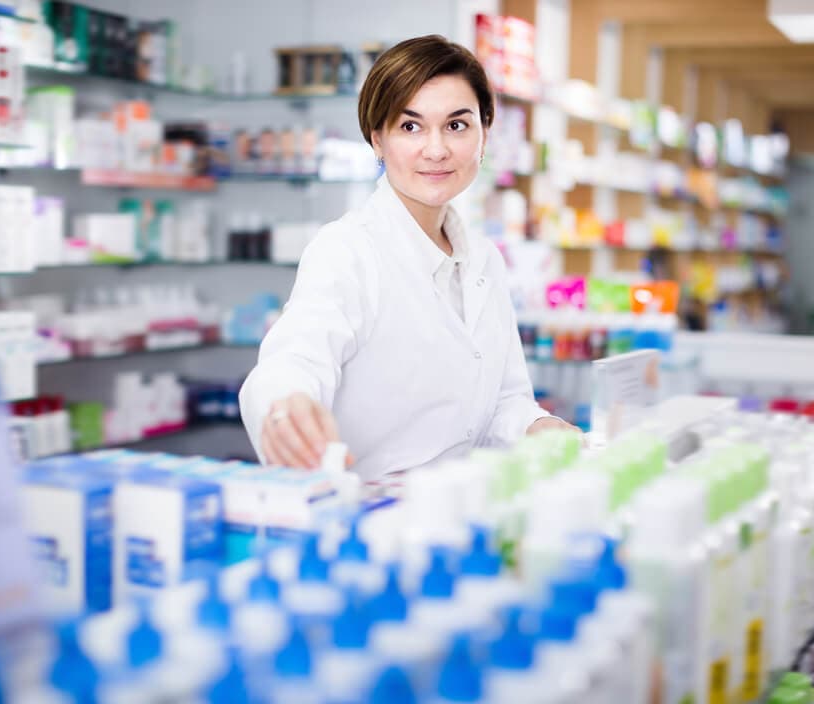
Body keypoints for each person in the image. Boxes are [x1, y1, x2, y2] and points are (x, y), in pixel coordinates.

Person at [239, 35, 575, 481]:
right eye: (410, 126)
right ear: (378, 139)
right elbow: (293, 361)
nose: (435, 150)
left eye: (457, 125)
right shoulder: (347, 249)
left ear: (483, 134)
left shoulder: (484, 259)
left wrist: (538, 427)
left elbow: (504, 400)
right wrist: (286, 406)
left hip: (459, 512)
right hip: (367, 518)